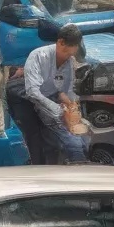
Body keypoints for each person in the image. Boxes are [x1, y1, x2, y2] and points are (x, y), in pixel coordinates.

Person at [22, 24, 88, 163]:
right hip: (36, 100)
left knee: (84, 142)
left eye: (72, 55)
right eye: (67, 54)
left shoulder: (69, 61)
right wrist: (58, 109)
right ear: (60, 42)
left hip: (55, 99)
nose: (69, 58)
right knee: (74, 145)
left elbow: (65, 89)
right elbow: (32, 92)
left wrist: (71, 104)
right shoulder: (38, 56)